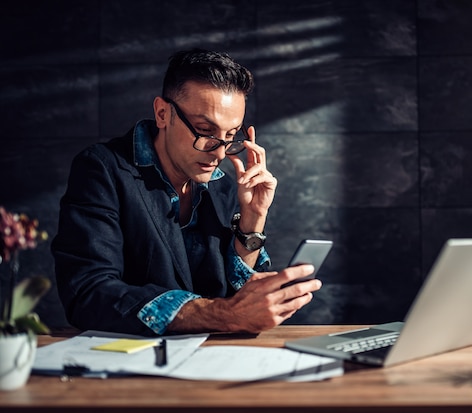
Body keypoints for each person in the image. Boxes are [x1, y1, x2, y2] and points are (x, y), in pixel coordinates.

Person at [52, 49, 321, 336]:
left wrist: (252, 222)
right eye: (205, 130)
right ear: (162, 113)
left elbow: (236, 301)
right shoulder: (102, 169)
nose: (219, 152)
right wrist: (224, 313)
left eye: (231, 136)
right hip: (129, 365)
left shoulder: (224, 188)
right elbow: (88, 293)